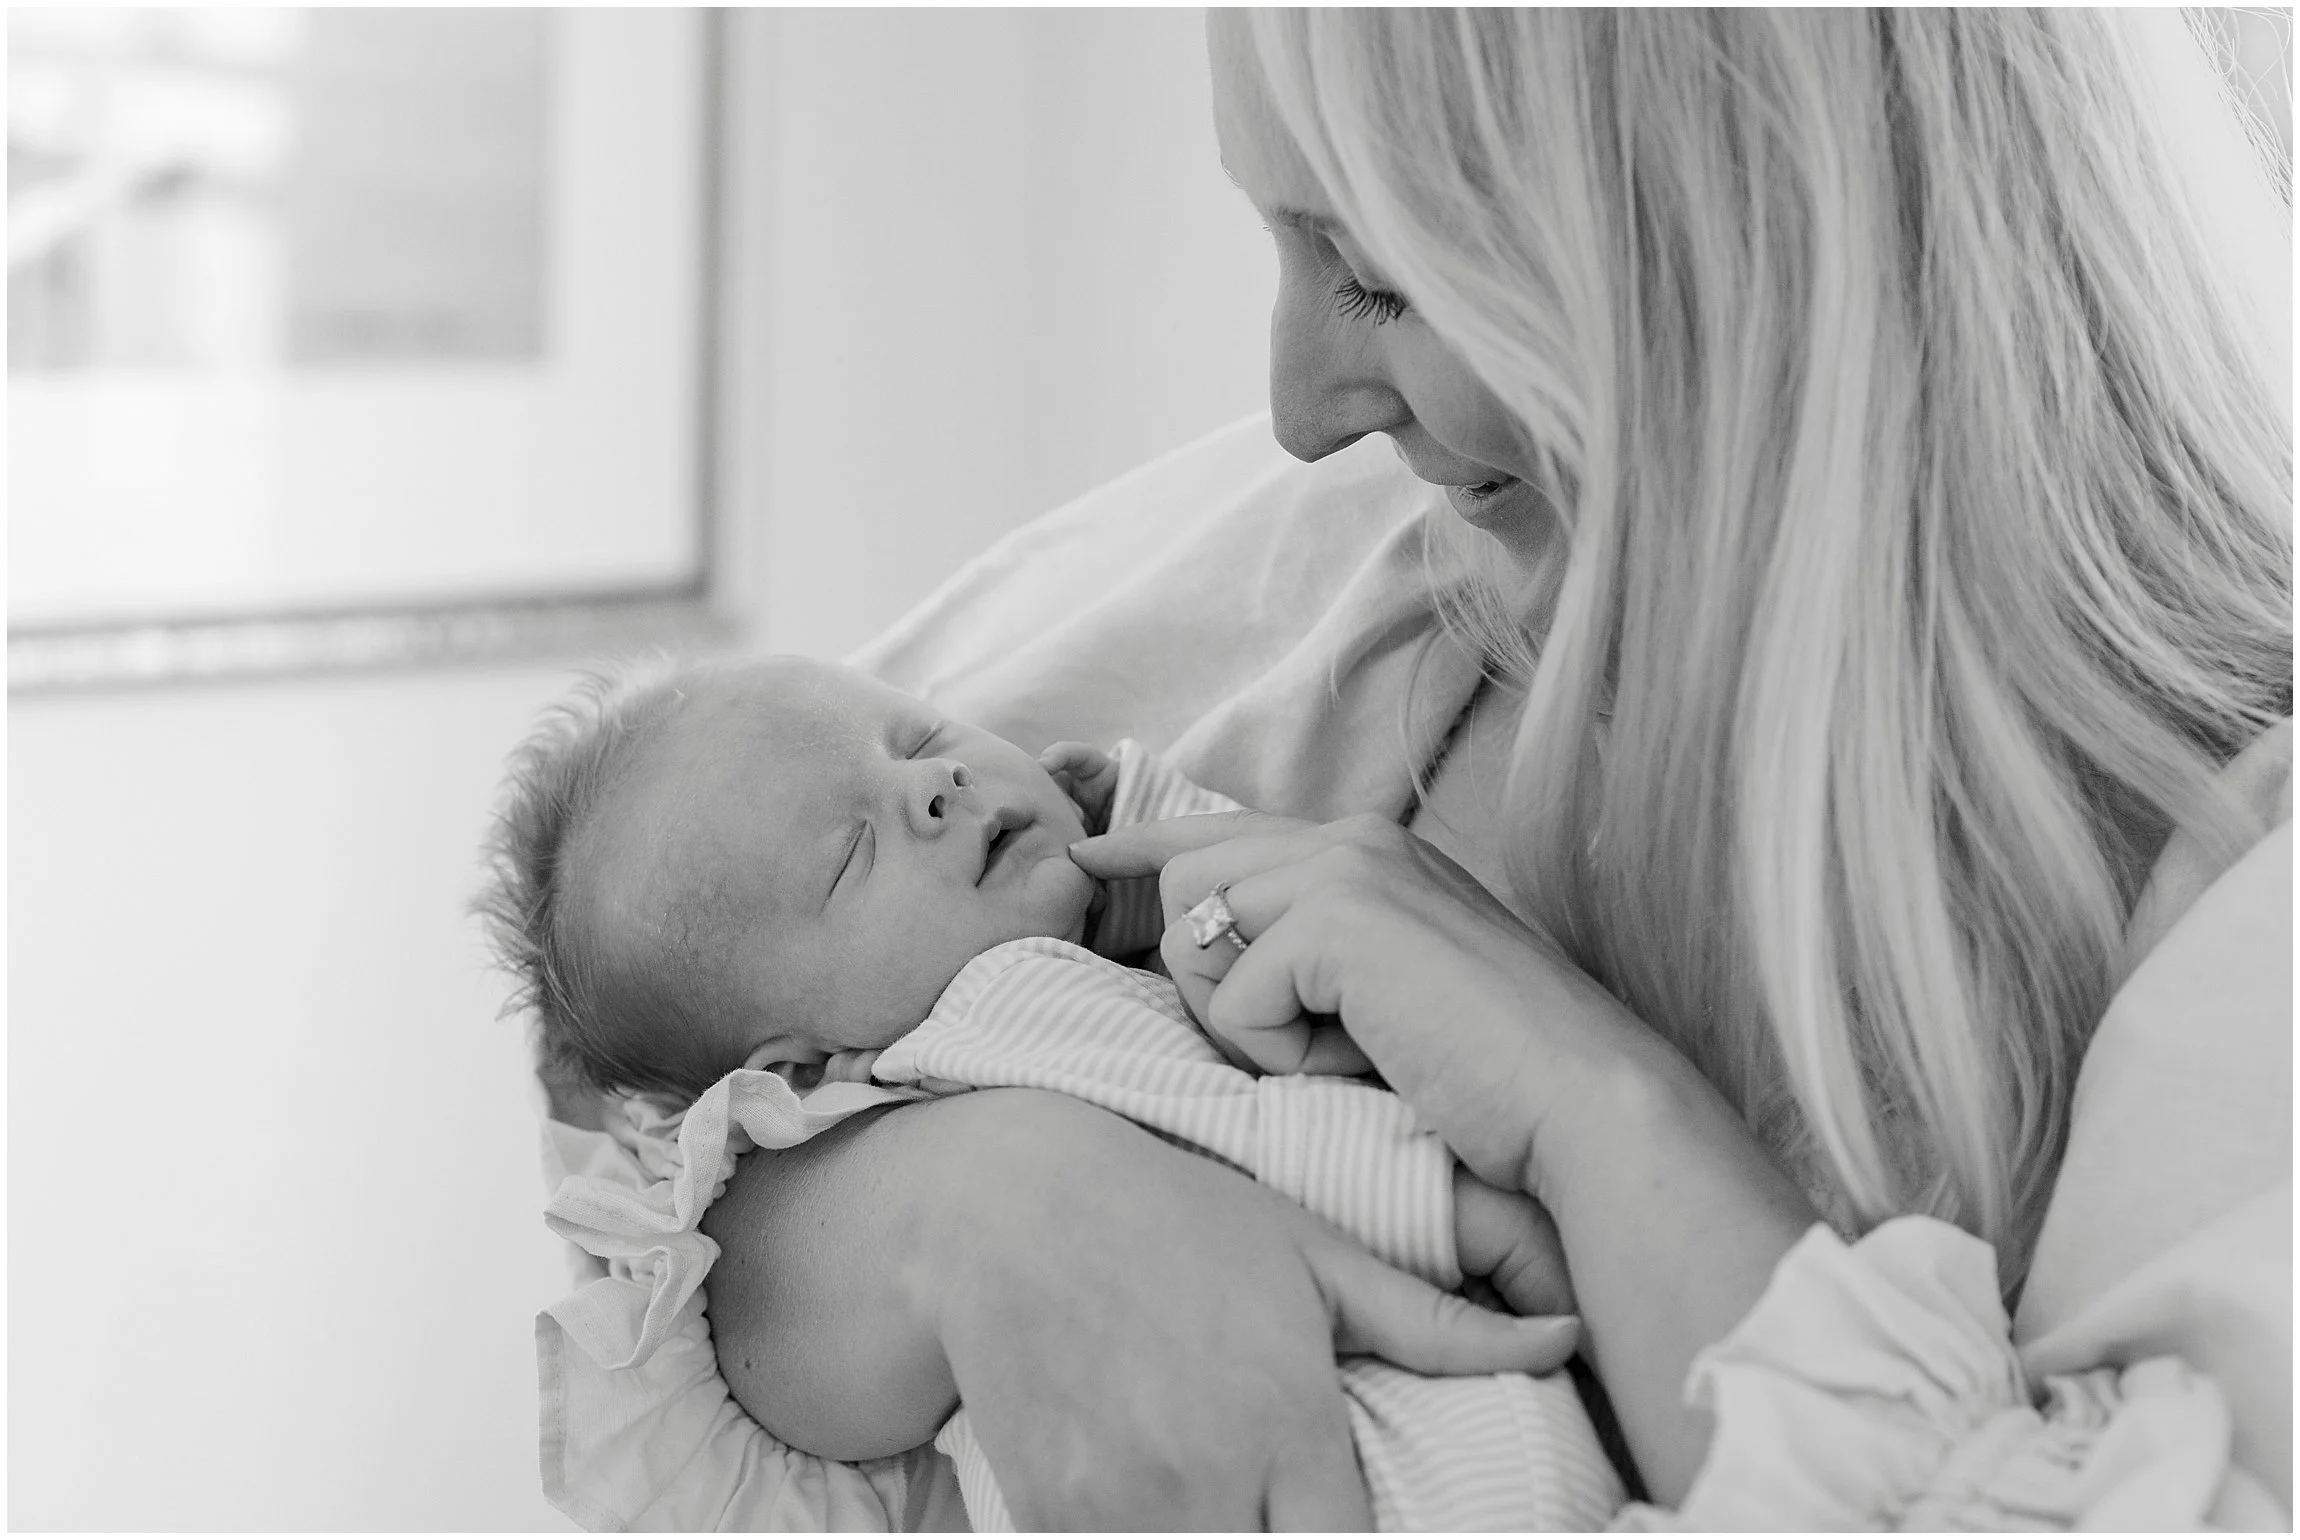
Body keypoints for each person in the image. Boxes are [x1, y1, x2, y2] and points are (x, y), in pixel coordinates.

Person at [699, 10, 2292, 1527]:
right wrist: (978, 1204)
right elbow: (673, 1009)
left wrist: (1594, 1109)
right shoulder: (1391, 553)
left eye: (1380, 275)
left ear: (1762, 252)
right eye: (1284, 238)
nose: (1296, 410)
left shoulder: (2243, 888)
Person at [488, 655, 1616, 1529]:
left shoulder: (1058, 981)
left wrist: (1118, 827)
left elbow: (1226, 881)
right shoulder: (978, 1029)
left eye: (917, 734)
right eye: (850, 855)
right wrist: (1446, 1203)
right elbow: (1249, 1139)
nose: (930, 788)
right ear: (793, 1070)